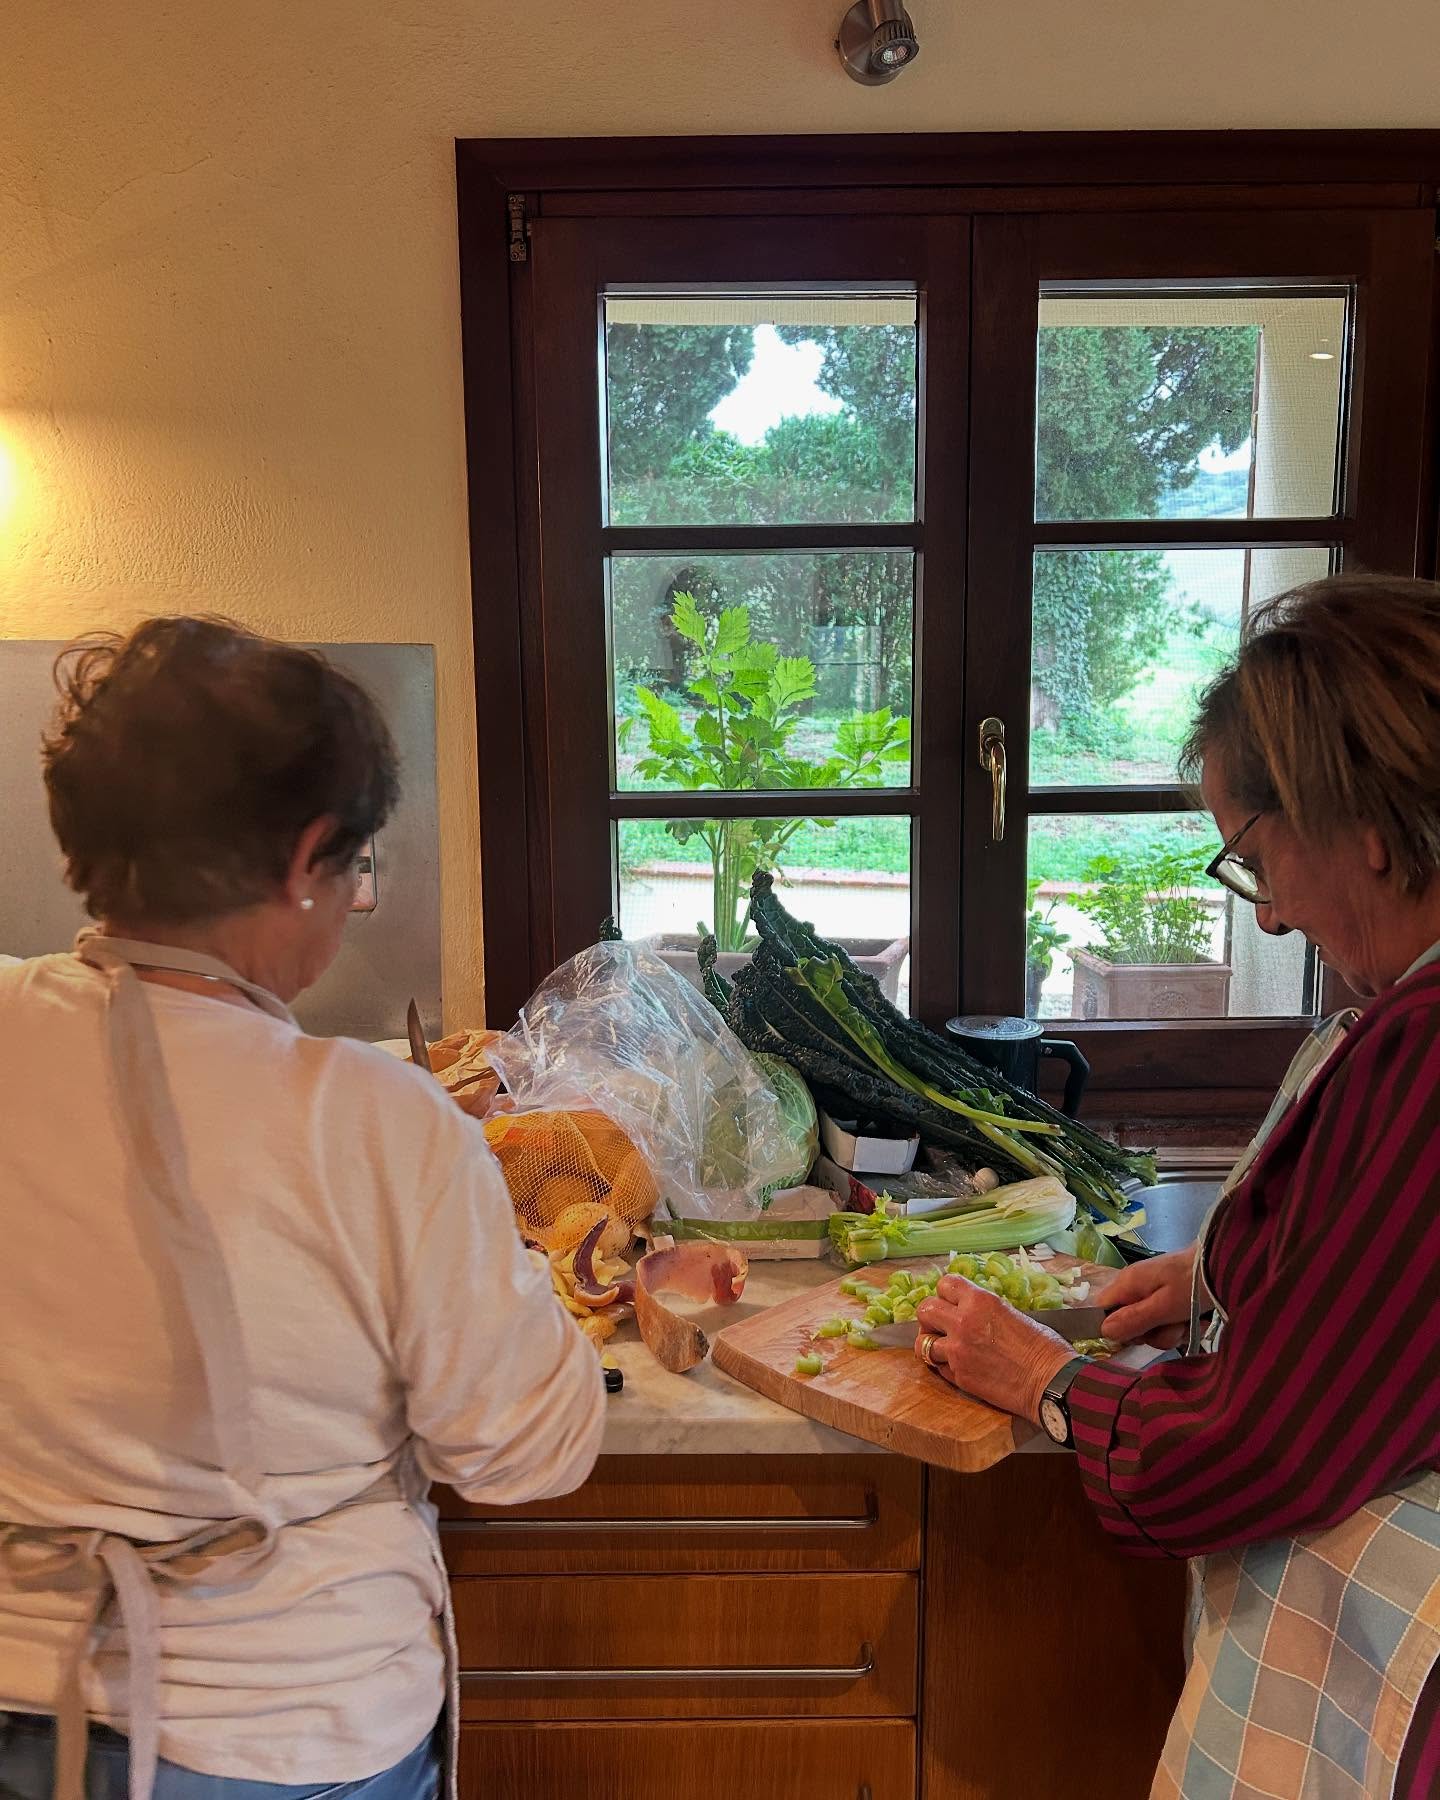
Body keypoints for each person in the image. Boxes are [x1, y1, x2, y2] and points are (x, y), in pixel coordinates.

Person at [0, 619, 605, 1800]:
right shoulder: (378, 1118)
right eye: (357, 867)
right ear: (307, 857)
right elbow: (522, 1453)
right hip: (291, 1734)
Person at [913, 574, 1440, 1798]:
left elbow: (1260, 1447)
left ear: (1362, 821)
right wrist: (1225, 1271)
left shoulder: (1424, 1055)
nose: (1274, 917)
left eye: (1255, 858)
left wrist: (1046, 1380)